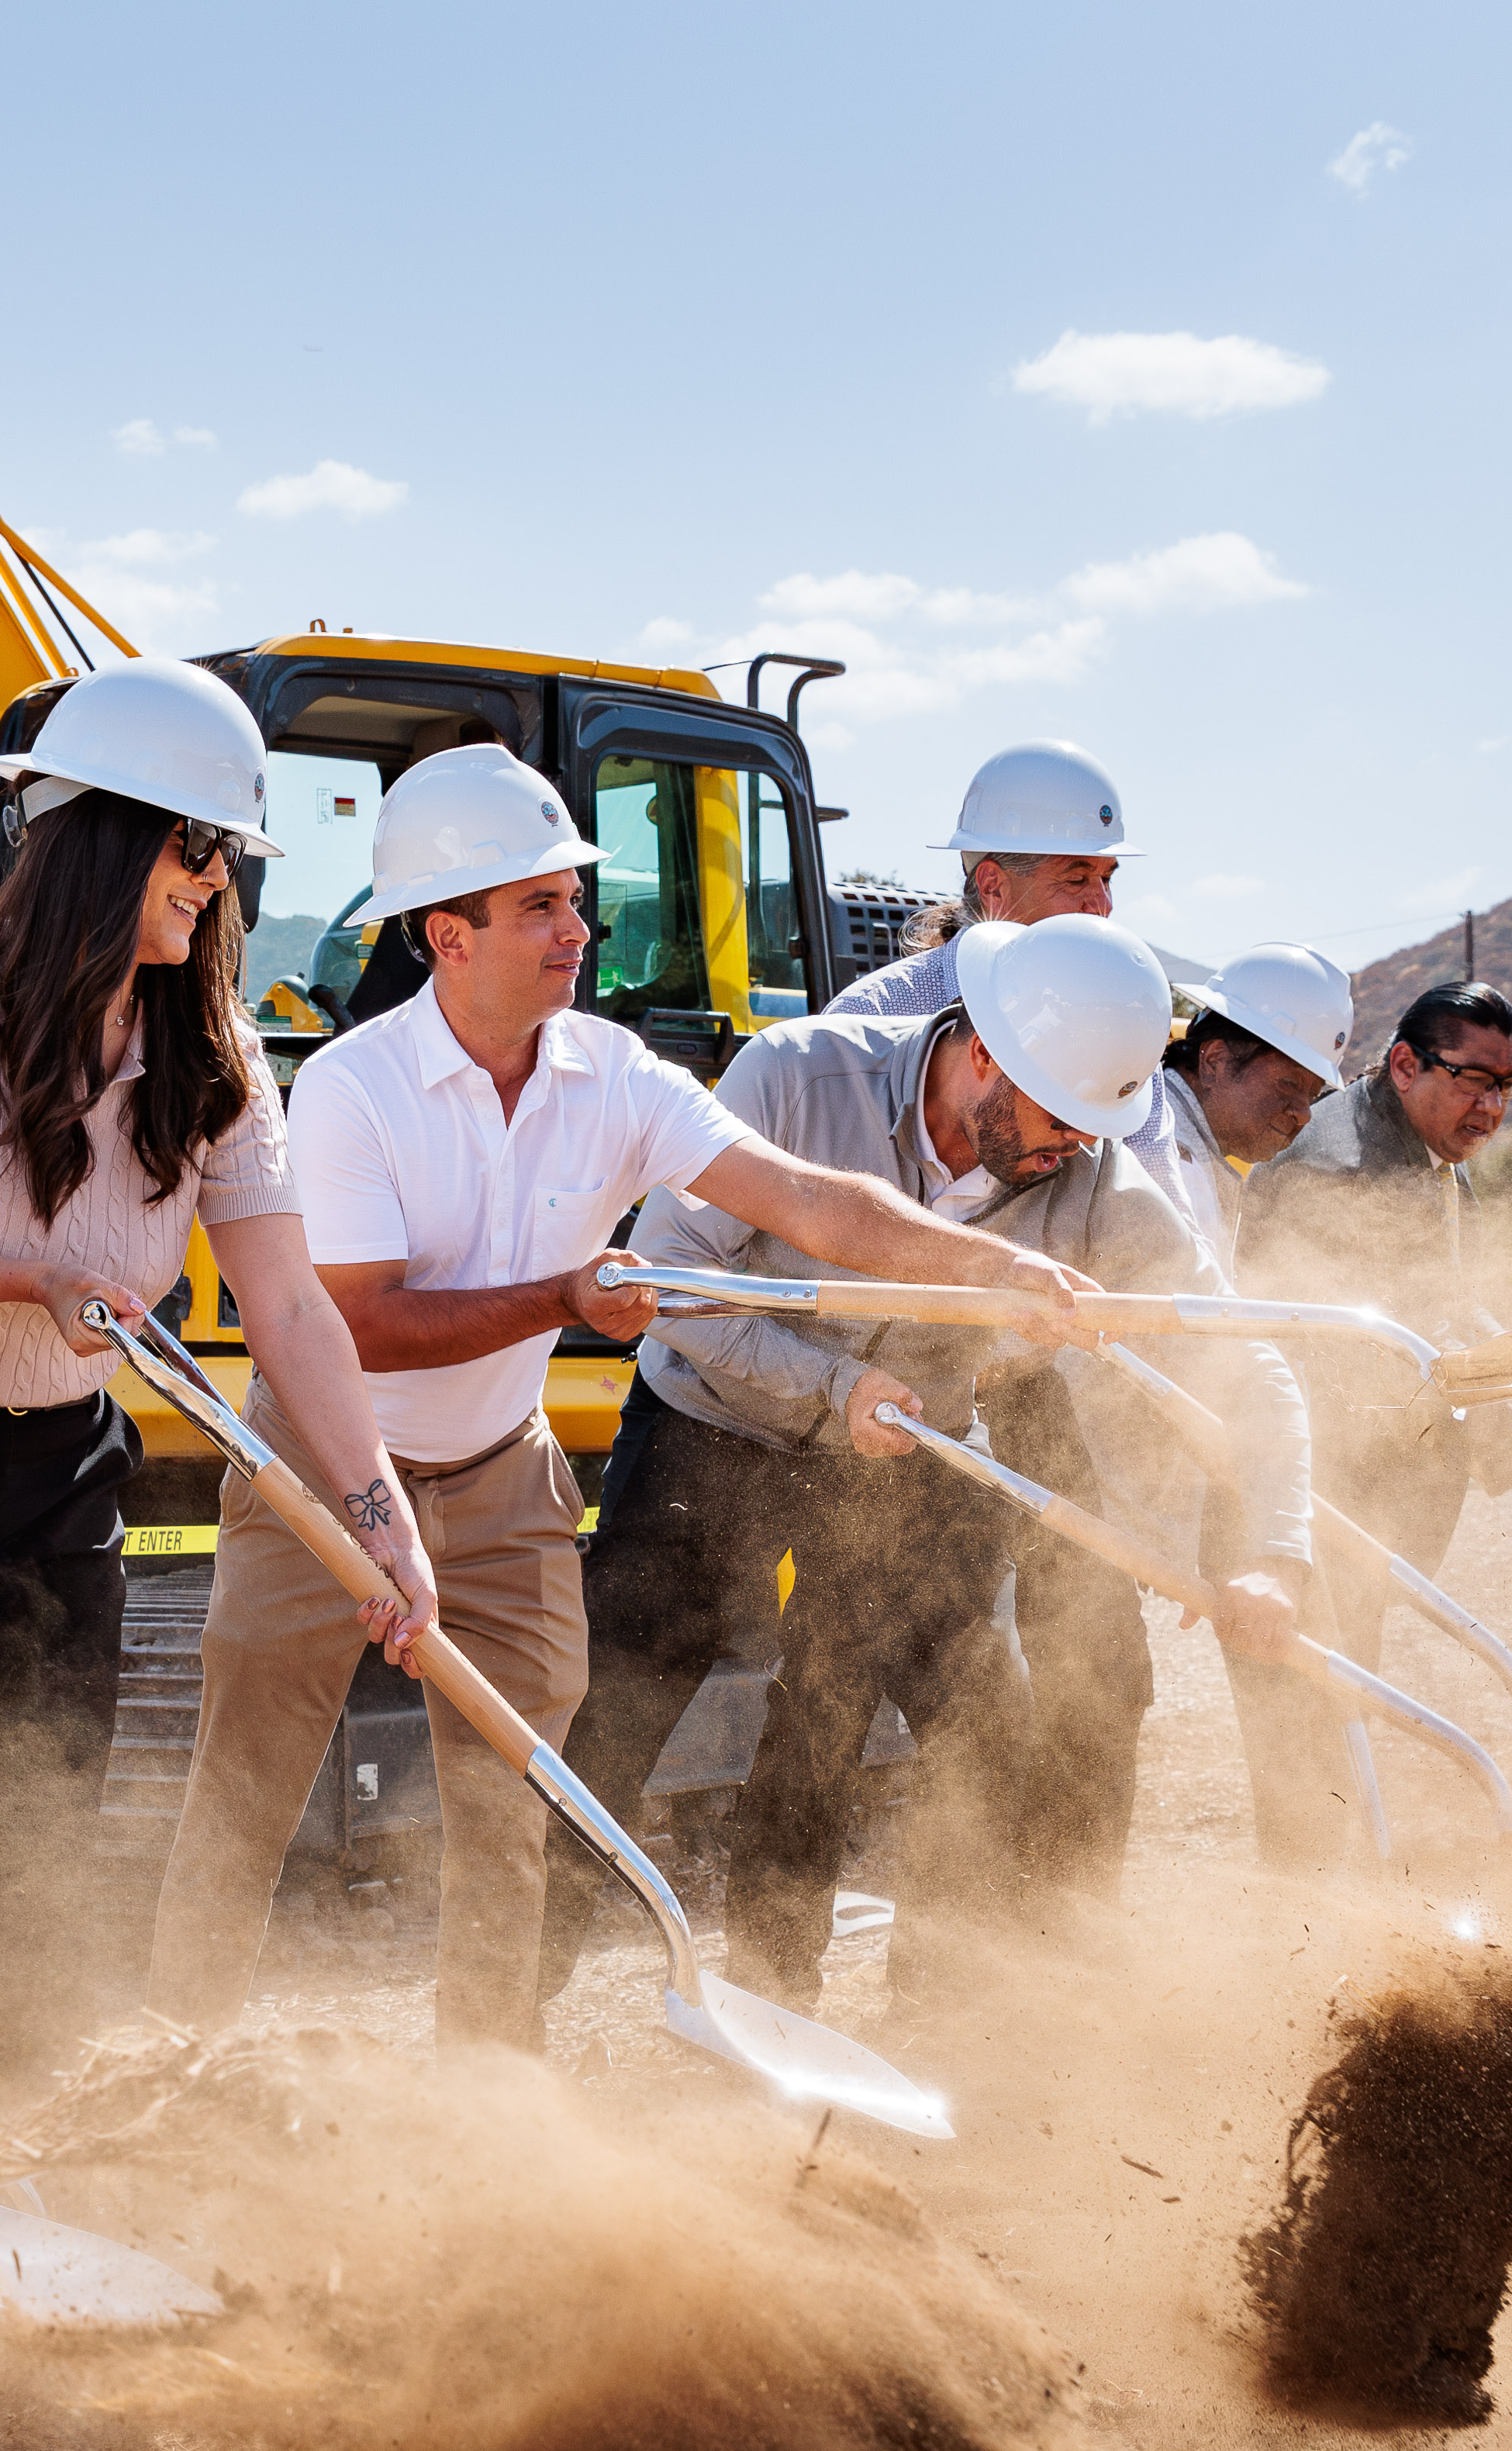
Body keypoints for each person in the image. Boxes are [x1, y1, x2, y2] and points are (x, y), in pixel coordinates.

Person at [147, 745, 1111, 2057]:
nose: (577, 930)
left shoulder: (621, 1079)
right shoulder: (349, 1090)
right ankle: (160, 2073)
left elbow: (814, 1203)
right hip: (320, 1473)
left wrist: (995, 1265)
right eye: (540, 904)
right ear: (448, 933)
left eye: (574, 900)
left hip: (501, 1483)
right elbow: (359, 1322)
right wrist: (564, 1300)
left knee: (516, 1812)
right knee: (247, 1793)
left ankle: (491, 2099)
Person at [0, 658, 437, 2110]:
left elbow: (295, 1307)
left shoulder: (215, 1054)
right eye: (196, 847)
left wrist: (383, 1515)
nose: (214, 882)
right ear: (104, 835)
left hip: (61, 1483)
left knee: (42, 1854)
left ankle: (21, 2171)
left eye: (227, 856)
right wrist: (22, 1281)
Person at [533, 915, 1310, 2010]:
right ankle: (506, 2026)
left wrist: (1280, 1552)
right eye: (1058, 1121)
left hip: (909, 1448)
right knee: (619, 1711)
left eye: (1097, 1131)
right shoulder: (799, 1082)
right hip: (716, 1422)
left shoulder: (1087, 1182)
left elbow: (1241, 1361)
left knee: (971, 1732)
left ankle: (927, 2020)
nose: (1073, 1152)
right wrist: (833, 1385)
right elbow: (673, 1282)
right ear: (986, 1052)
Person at [1253, 977, 1512, 1643]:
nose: (1490, 1107)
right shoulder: (1347, 1174)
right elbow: (1411, 1349)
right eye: (1473, 1080)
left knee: (1349, 1707)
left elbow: (1453, 1303)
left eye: (1507, 1086)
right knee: (1319, 1727)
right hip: (1305, 1504)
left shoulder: (1423, 1146)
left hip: (1357, 1502)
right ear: (1405, 1065)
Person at [1121, 942, 1365, 1864]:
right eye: (1288, 1089)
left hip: (1184, 1441)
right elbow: (1214, 1346)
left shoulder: (1201, 1144)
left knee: (1295, 1659)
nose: (1301, 1118)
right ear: (1215, 1056)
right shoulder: (1151, 1140)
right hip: (1099, 1440)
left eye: (1315, 1098)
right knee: (1090, 1700)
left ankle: (1315, 1890)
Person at [817, 740, 1129, 1024]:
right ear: (993, 886)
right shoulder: (871, 1022)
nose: (1103, 905)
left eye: (1106, 878)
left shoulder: (1118, 1027)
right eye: (1076, 879)